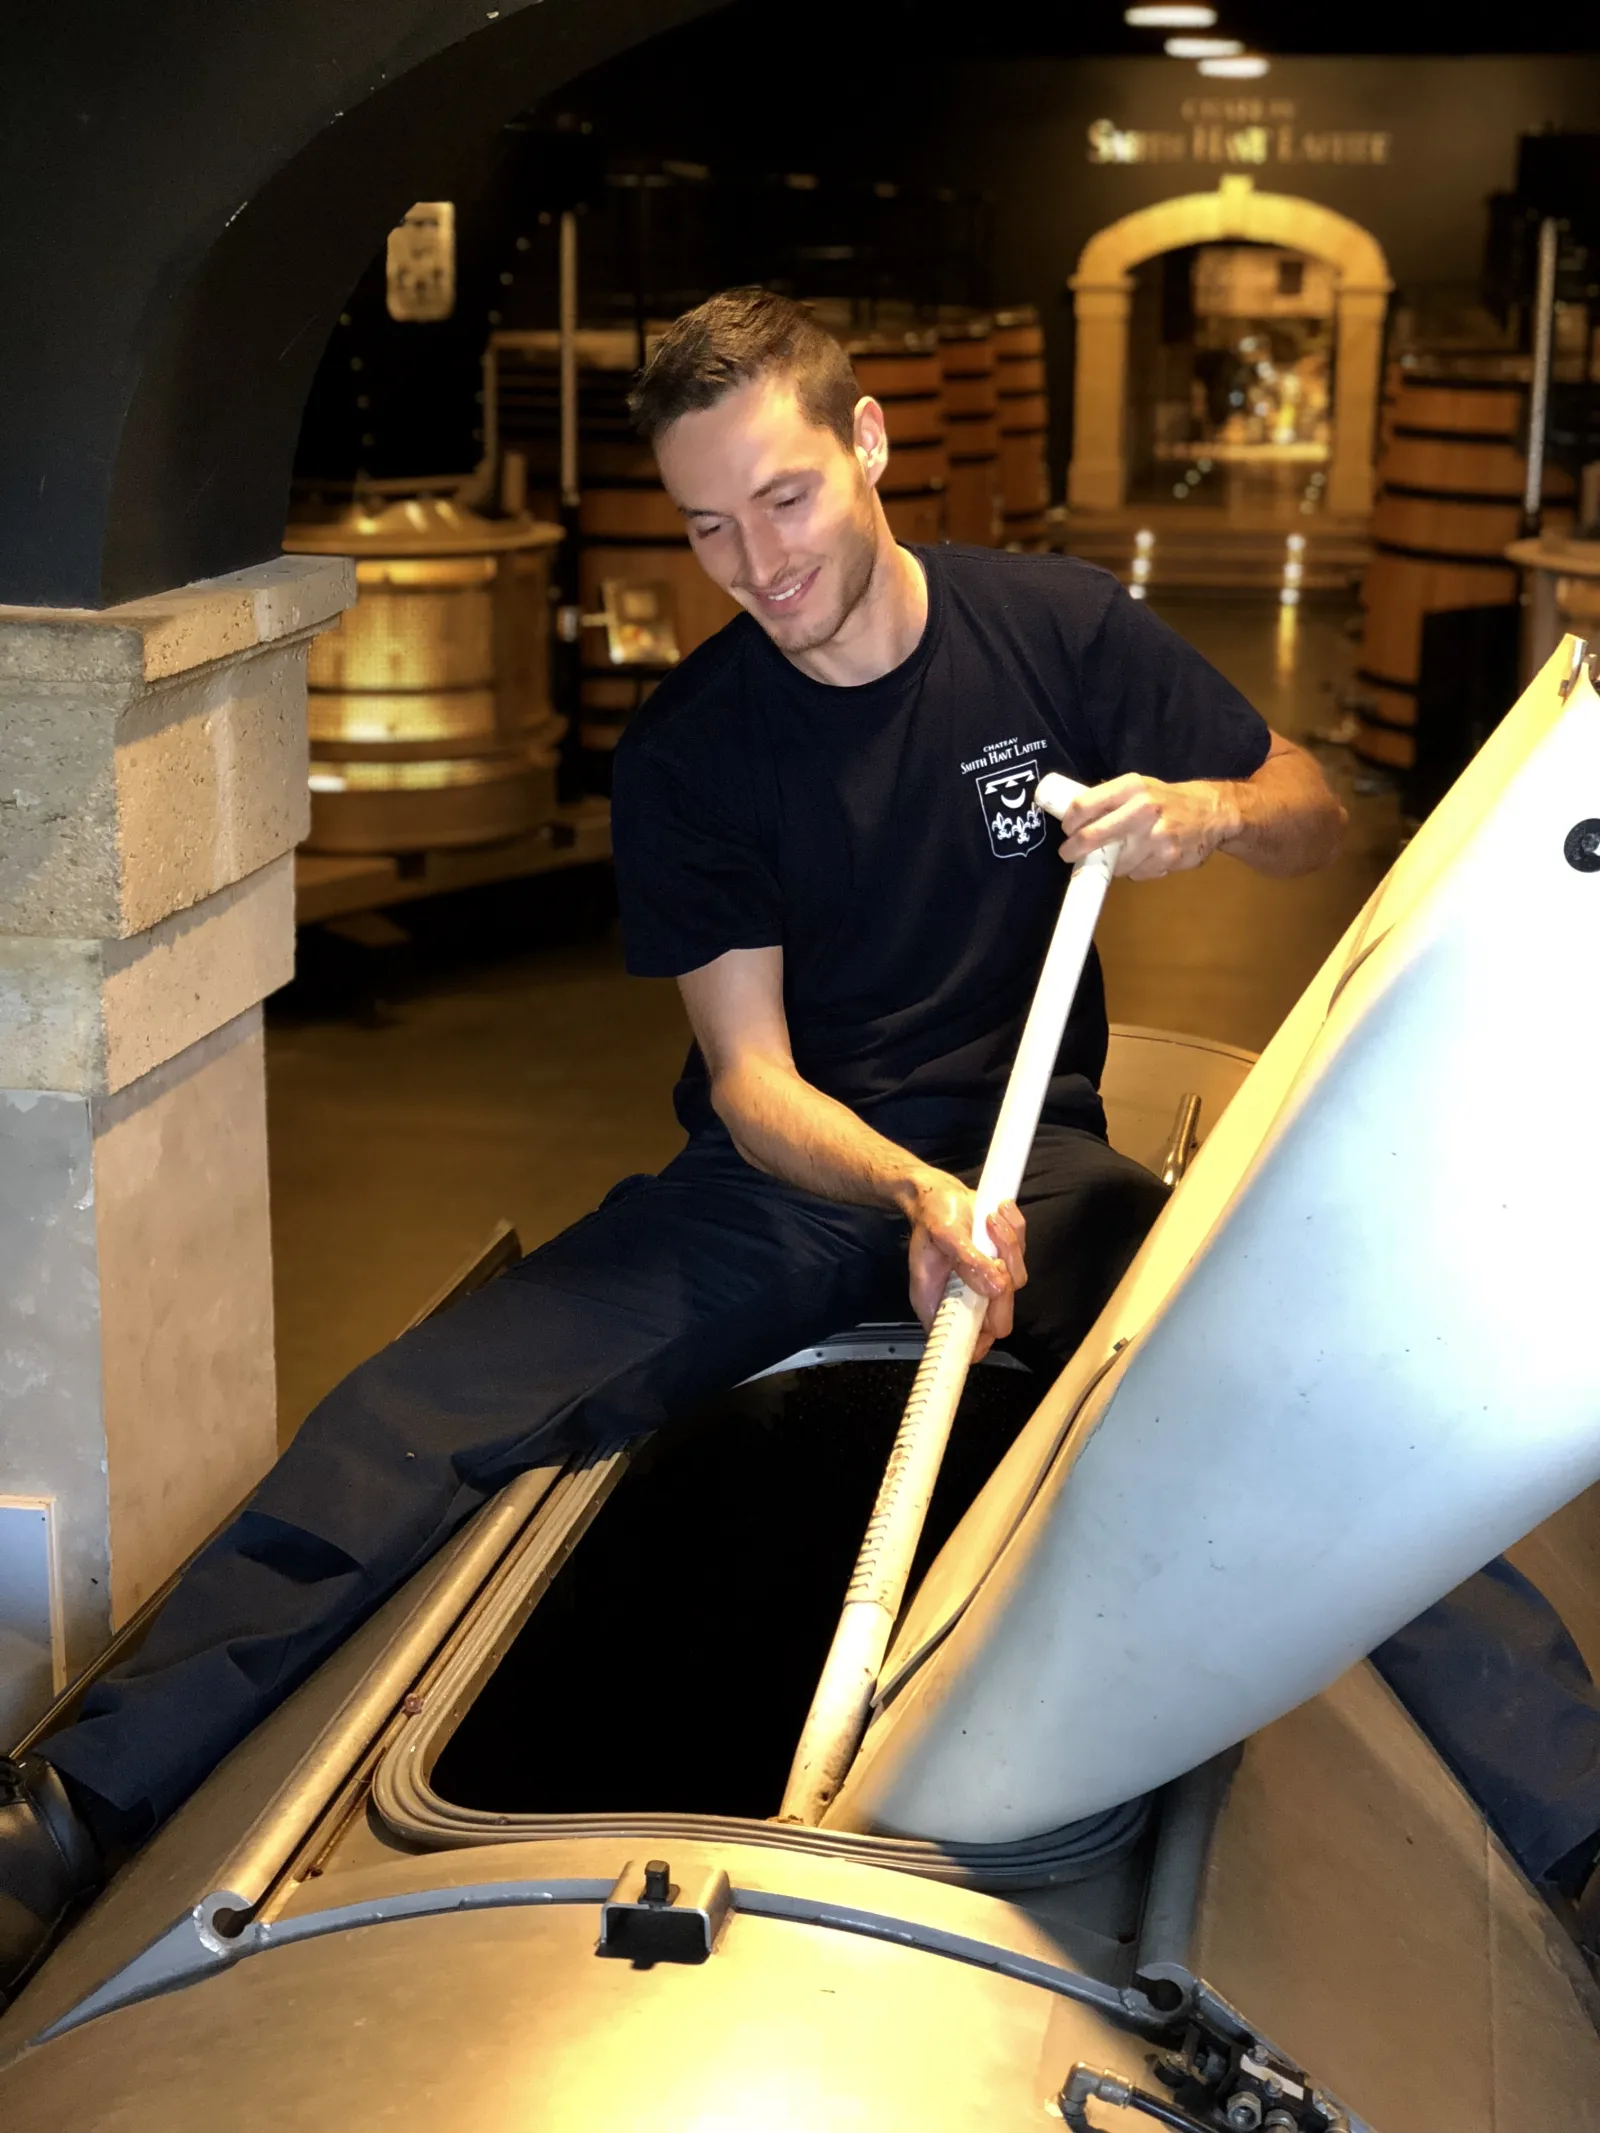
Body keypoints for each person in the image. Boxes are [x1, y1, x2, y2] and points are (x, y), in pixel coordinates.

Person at [0, 289, 1345, 1996]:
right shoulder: (697, 746)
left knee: (1283, 1374)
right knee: (416, 1408)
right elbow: (756, 1083)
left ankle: (1567, 1821)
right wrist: (907, 1188)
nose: (758, 564)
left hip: (1037, 1162)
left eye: (785, 498)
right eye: (710, 527)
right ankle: (65, 1811)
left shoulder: (1055, 632)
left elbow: (1312, 809)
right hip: (783, 1180)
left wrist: (1211, 812)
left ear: (869, 444)